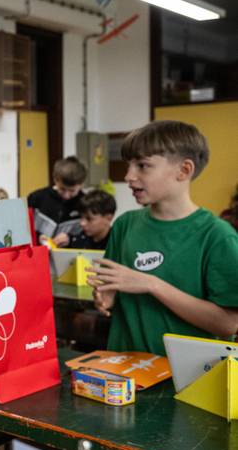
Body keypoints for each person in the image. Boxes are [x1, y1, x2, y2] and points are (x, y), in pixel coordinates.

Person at [88, 120, 238, 356]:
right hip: (124, 374)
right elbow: (113, 291)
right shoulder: (125, 225)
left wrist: (151, 285)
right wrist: (106, 299)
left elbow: (228, 323)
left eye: (143, 166)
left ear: (184, 170)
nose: (128, 176)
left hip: (188, 382)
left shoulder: (217, 236)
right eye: (128, 165)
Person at [28, 156, 87, 246]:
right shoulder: (36, 198)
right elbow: (22, 228)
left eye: (72, 191)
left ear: (81, 184)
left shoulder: (86, 203)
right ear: (55, 180)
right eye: (62, 189)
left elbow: (91, 236)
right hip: (38, 253)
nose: (66, 195)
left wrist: (71, 239)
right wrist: (36, 237)